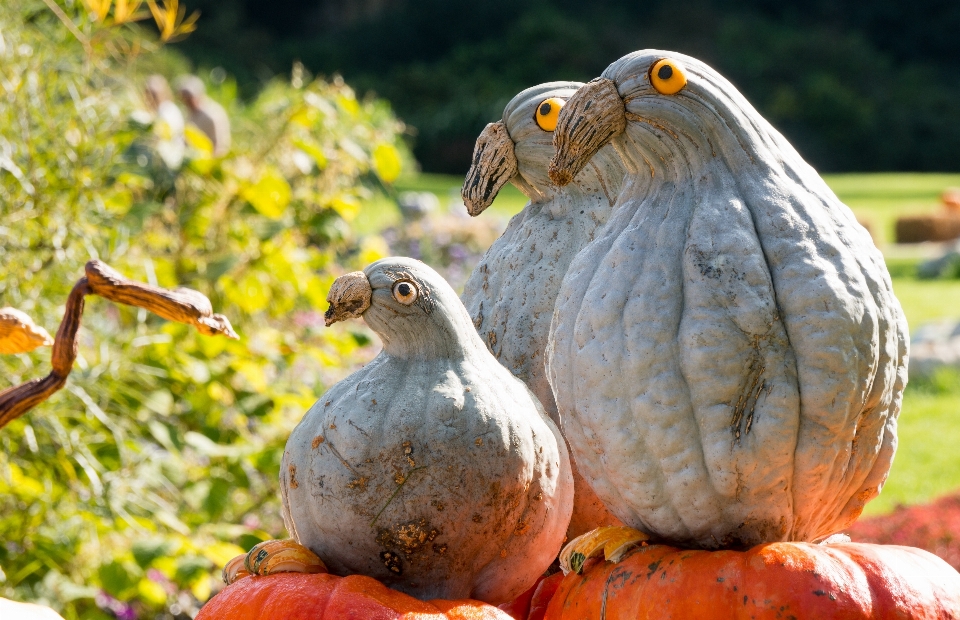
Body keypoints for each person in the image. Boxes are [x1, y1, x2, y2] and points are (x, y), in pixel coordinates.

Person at [175, 75, 231, 157]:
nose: (186, 103)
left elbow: (219, 146)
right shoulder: (190, 112)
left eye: (188, 99)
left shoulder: (212, 114)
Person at [144, 74, 185, 169]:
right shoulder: (158, 111)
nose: (150, 97)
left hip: (170, 162)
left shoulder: (168, 111)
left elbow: (162, 137)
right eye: (148, 93)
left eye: (153, 94)